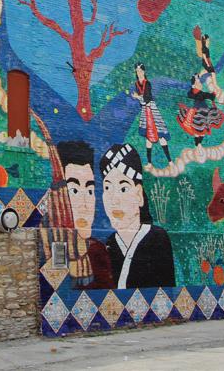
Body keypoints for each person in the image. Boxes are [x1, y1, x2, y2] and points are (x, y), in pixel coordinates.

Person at [100, 143, 175, 288]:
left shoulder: (157, 238)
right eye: (107, 188)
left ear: (139, 195)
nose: (114, 199)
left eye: (123, 188)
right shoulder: (110, 244)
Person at [43, 140, 114, 289]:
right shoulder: (46, 244)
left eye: (90, 191)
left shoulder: (98, 251)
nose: (85, 204)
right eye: (74, 191)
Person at [131, 63, 171, 166]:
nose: (139, 73)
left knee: (160, 135)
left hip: (152, 110)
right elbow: (143, 101)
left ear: (144, 71)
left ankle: (170, 161)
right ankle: (149, 163)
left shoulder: (147, 83)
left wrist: (138, 97)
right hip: (145, 111)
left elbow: (147, 99)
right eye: (137, 71)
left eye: (140, 71)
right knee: (148, 136)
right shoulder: (137, 84)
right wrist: (139, 98)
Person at [176, 74, 224, 147]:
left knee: (202, 129)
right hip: (197, 112)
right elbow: (192, 95)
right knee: (198, 128)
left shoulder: (199, 92)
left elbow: (209, 96)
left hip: (204, 111)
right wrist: (212, 94)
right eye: (198, 82)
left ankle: (198, 144)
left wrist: (213, 94)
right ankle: (198, 144)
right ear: (194, 84)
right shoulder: (196, 92)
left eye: (199, 82)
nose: (200, 84)